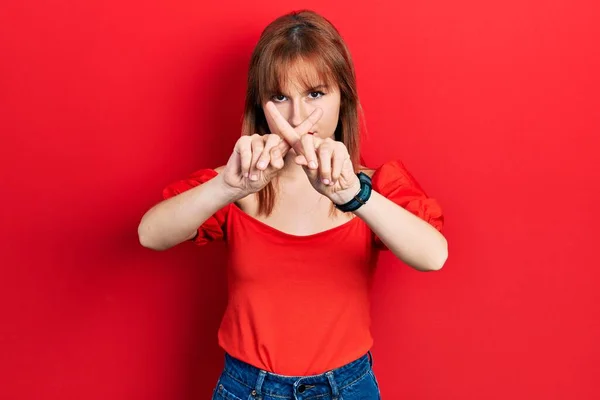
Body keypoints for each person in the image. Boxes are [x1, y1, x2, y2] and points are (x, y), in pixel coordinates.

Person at [138, 9, 447, 400]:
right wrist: (227, 188)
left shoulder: (372, 186)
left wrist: (355, 197)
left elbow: (434, 255)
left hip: (347, 388)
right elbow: (149, 234)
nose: (298, 116)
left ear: (343, 98)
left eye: (315, 94)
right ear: (261, 107)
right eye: (279, 97)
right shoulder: (235, 184)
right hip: (247, 387)